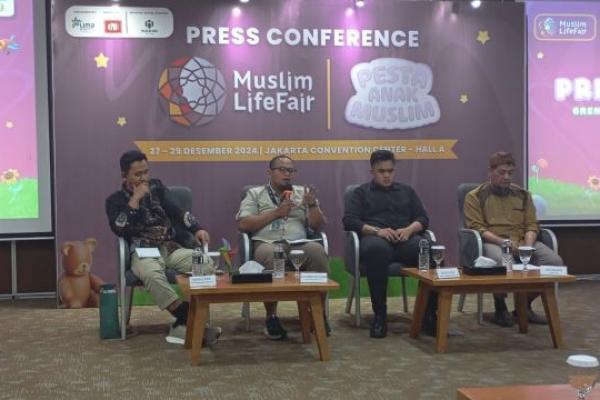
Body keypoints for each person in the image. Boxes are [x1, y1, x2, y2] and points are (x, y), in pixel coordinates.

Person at [105, 150, 221, 345]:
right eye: (138, 174)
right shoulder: (114, 201)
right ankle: (188, 317)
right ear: (124, 175)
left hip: (171, 248)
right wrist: (134, 200)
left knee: (205, 263)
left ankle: (183, 324)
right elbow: (119, 228)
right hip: (144, 252)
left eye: (146, 172)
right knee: (151, 274)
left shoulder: (157, 188)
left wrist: (197, 228)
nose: (144, 178)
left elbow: (178, 212)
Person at [343, 149, 438, 339]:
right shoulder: (361, 193)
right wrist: (377, 231)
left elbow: (423, 218)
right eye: (381, 171)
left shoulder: (407, 191)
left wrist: (409, 230)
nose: (386, 175)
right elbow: (350, 221)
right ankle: (380, 316)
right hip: (376, 239)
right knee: (377, 250)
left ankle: (428, 314)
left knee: (428, 249)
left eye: (390, 171)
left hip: (405, 239)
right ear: (372, 172)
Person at [464, 151, 564, 327]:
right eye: (502, 172)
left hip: (523, 241)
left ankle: (523, 306)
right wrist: (504, 243)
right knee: (502, 261)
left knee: (555, 263)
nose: (507, 177)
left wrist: (528, 246)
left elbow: (532, 224)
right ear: (490, 172)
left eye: (510, 173)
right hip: (494, 241)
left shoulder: (523, 195)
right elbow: (477, 228)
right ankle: (500, 307)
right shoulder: (475, 196)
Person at [237, 155, 329, 340]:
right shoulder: (255, 194)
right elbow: (243, 224)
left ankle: (317, 314)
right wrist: (276, 213)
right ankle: (271, 316)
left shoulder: (302, 193)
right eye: (282, 170)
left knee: (317, 251)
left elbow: (319, 227)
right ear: (269, 172)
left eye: (291, 171)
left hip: (298, 244)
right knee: (273, 254)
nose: (287, 174)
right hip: (267, 243)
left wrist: (312, 205)